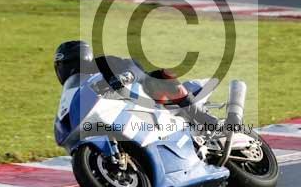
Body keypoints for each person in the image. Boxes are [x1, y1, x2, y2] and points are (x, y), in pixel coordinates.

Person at [53, 40, 217, 126]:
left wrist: (126, 76)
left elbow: (133, 65)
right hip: (123, 117)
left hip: (148, 100)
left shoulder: (102, 64)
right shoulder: (74, 91)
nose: (65, 69)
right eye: (61, 66)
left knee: (161, 77)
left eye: (67, 64)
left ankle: (205, 119)